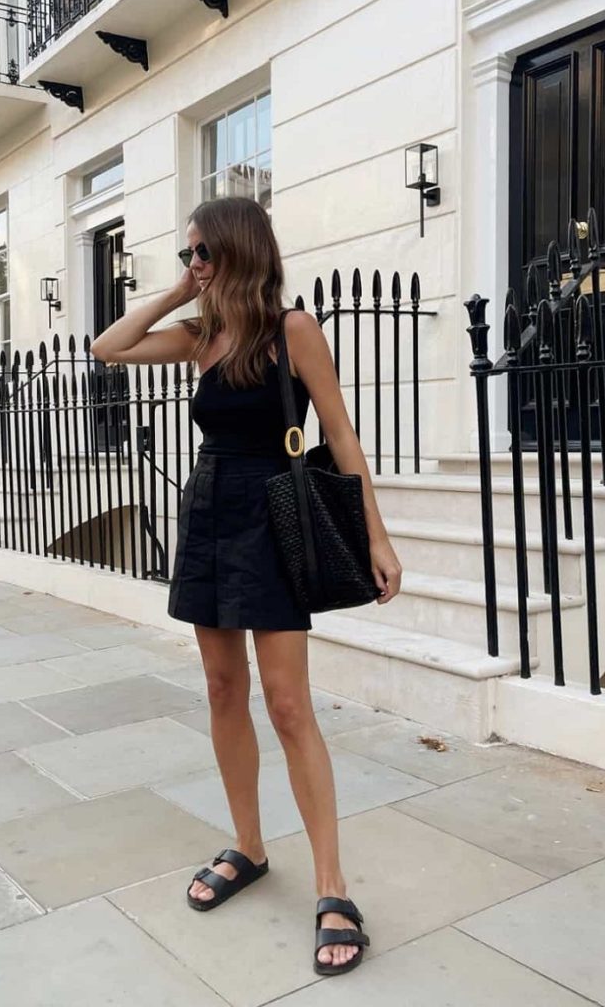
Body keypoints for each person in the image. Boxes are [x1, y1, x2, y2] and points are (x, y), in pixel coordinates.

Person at [90, 196, 402, 976]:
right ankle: (250, 848)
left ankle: (333, 888)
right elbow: (108, 346)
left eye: (201, 252)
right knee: (221, 688)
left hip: (274, 512)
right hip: (209, 512)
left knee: (288, 703)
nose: (192, 263)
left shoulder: (291, 329)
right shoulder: (197, 336)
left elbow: (339, 432)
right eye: (187, 253)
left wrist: (376, 533)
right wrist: (176, 293)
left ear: (238, 249)